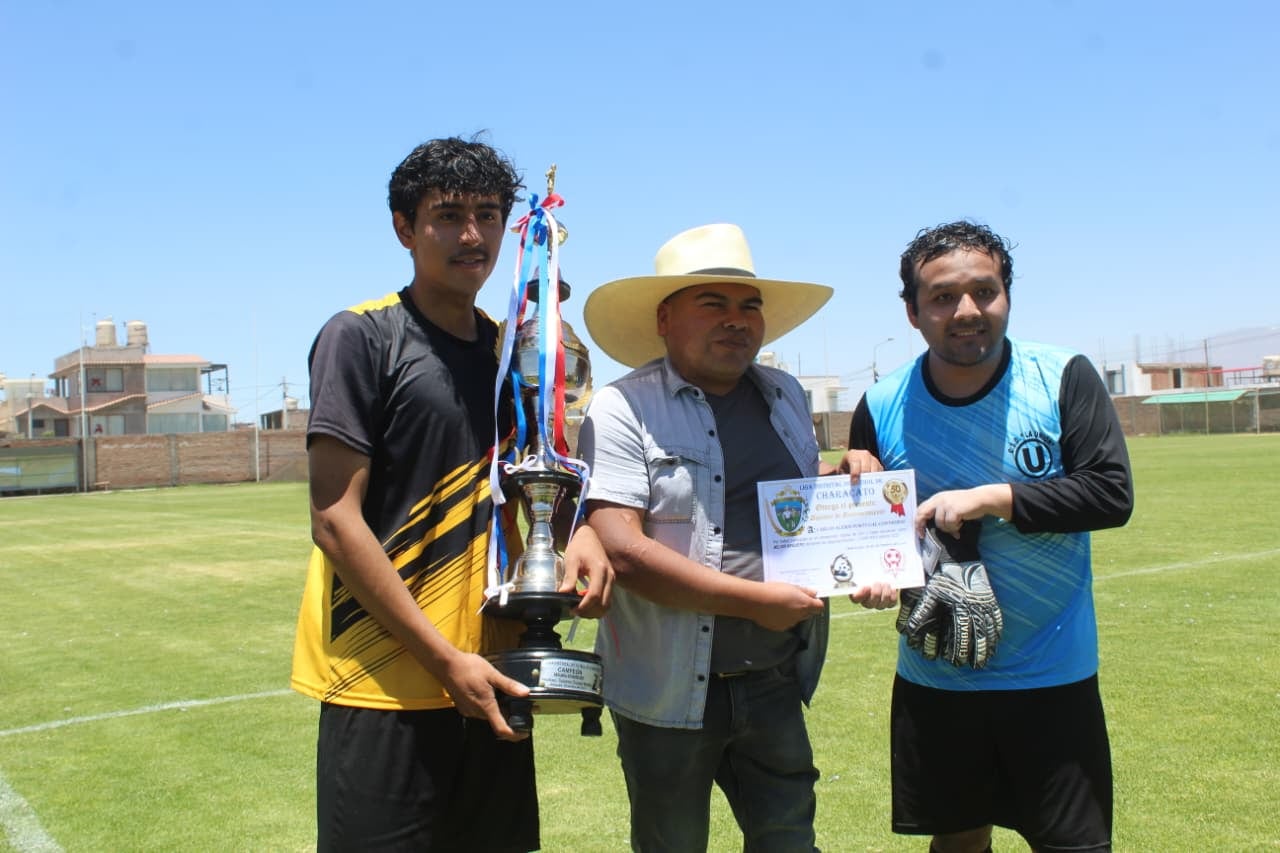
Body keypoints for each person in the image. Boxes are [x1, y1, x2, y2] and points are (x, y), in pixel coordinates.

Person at [289, 136, 612, 852]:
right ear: (405, 228)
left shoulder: (515, 354)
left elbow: (542, 484)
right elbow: (335, 520)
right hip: (386, 685)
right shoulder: (362, 337)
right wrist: (445, 660)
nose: (473, 235)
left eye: (489, 214)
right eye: (448, 215)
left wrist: (579, 530)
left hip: (490, 675)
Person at [578, 223, 898, 852]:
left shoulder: (782, 392)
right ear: (665, 318)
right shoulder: (621, 408)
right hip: (666, 689)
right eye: (713, 304)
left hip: (774, 677)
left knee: (788, 841)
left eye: (749, 305)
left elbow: (789, 502)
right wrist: (754, 602)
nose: (737, 321)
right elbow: (622, 548)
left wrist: (849, 479)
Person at [846, 220, 1134, 853]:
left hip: (1052, 676)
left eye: (985, 291)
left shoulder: (1062, 377)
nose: (968, 310)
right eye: (944, 296)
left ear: (1007, 295)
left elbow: (1111, 494)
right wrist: (870, 576)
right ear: (913, 311)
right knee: (958, 841)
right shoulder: (882, 401)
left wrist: (992, 499)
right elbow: (874, 531)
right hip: (938, 677)